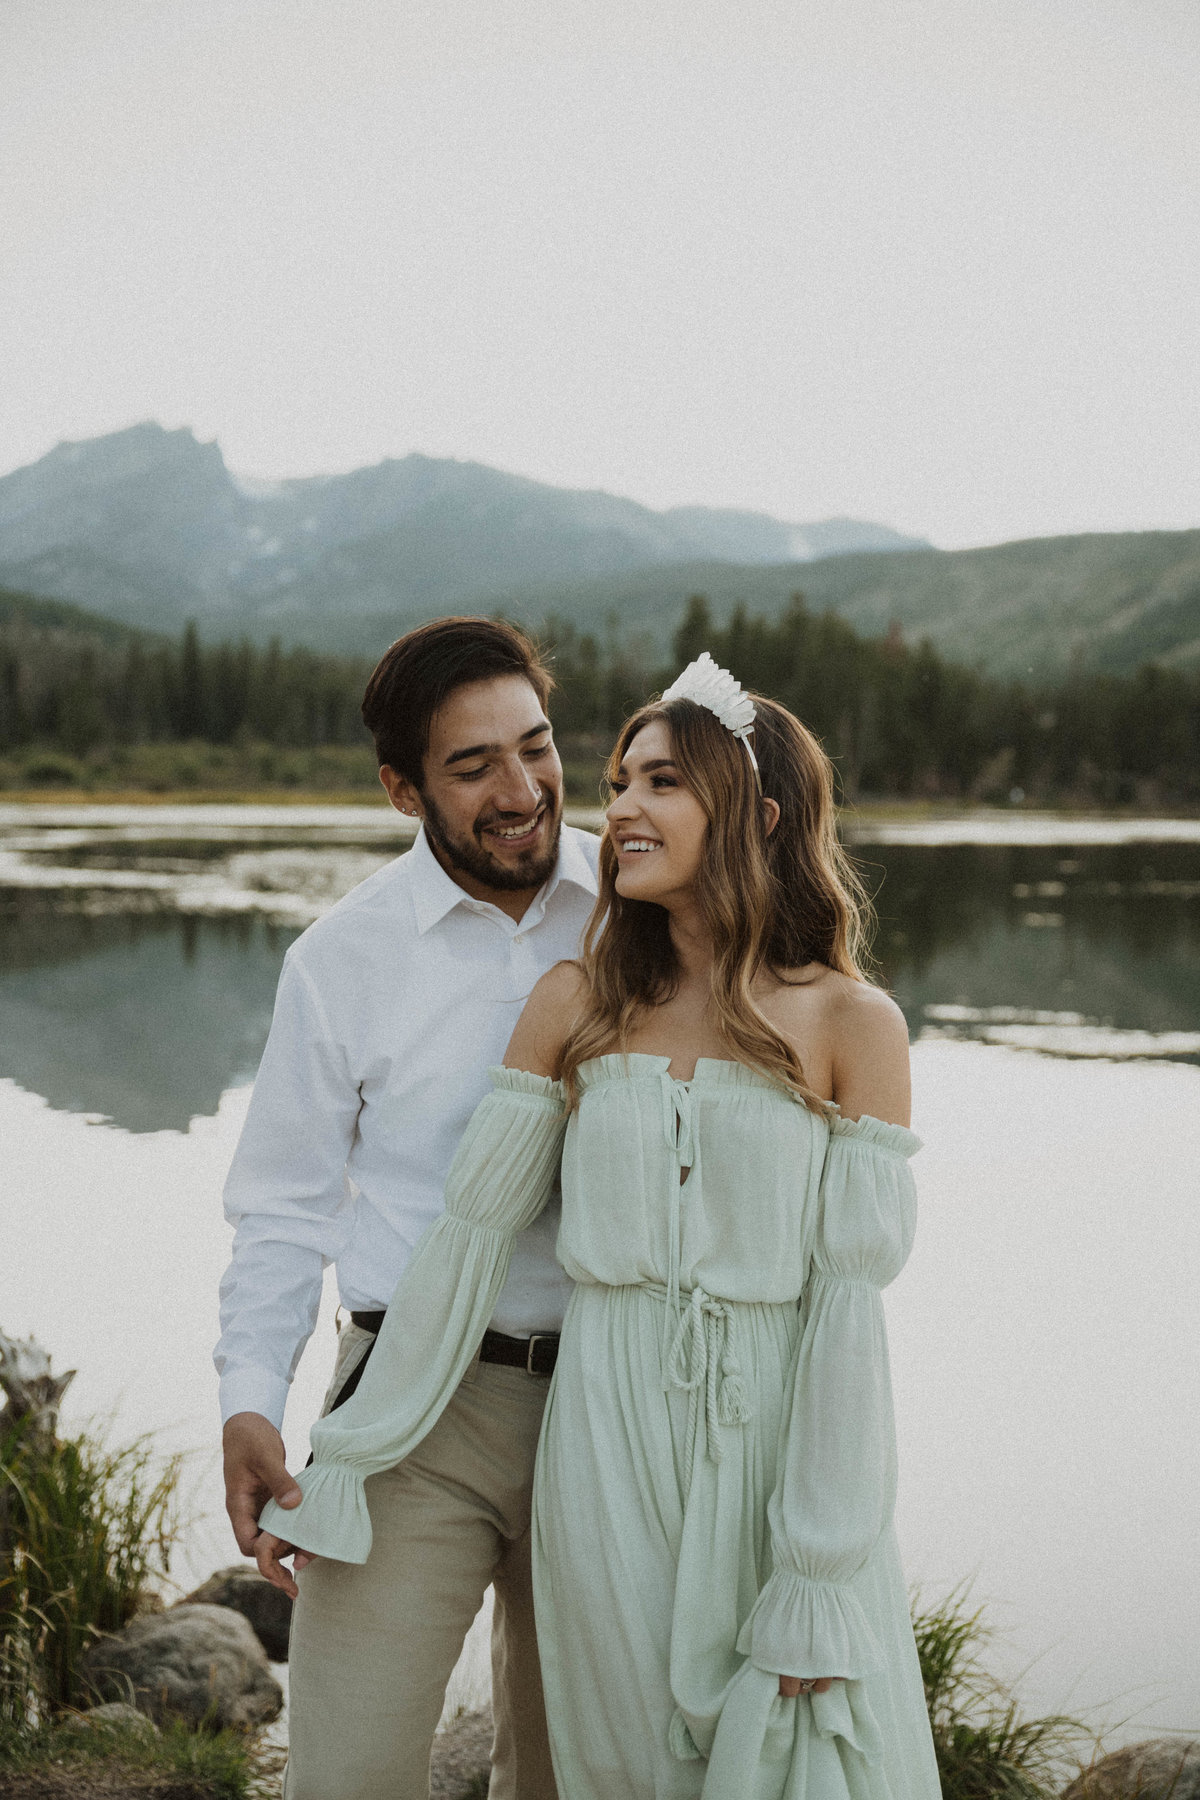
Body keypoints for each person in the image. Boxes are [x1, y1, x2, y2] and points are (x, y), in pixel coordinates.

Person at [259, 654, 941, 1800]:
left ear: (758, 816)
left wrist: (820, 1561)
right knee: (618, 1765)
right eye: (620, 780)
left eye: (660, 783)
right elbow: (466, 1245)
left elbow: (845, 1320)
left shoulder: (853, 1021)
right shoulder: (578, 1001)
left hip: (767, 1439)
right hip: (602, 1441)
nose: (617, 806)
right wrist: (351, 1455)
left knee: (807, 1763)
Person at [214, 616, 599, 1800]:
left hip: (614, 1397)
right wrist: (249, 1399)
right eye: (473, 765)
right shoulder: (342, 958)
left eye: (534, 748)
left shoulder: (648, 909)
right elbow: (283, 1206)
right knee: (346, 1773)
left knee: (578, 1777)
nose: (522, 789)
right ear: (402, 788)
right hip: (408, 1414)